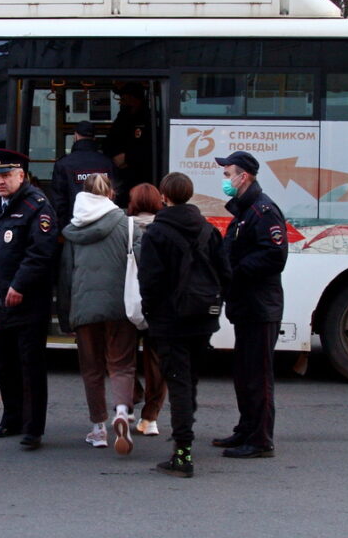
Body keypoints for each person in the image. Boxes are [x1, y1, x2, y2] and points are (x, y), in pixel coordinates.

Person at [138, 172, 231, 478]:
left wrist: (152, 316)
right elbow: (224, 273)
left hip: (170, 319)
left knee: (177, 381)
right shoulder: (208, 230)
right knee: (189, 379)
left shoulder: (156, 232)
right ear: (189, 195)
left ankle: (182, 454)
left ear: (164, 196)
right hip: (203, 317)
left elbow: (149, 282)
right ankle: (184, 434)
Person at [212, 150, 288, 459]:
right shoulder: (245, 210)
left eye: (228, 173)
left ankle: (260, 439)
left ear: (244, 176)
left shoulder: (263, 210)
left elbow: (274, 256)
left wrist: (235, 270)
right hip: (246, 305)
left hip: (260, 306)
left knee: (258, 374)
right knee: (244, 372)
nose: (225, 179)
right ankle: (245, 428)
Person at [0, 149, 58, 451]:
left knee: (31, 366)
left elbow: (40, 253)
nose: (0, 181)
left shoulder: (37, 207)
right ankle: (10, 418)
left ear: (21, 176)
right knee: (6, 364)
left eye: (5, 175)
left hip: (28, 300)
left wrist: (20, 285)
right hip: (1, 298)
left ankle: (33, 428)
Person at [58, 173, 139, 455]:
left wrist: (66, 315)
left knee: (91, 370)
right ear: (111, 194)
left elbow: (66, 275)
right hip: (121, 307)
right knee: (122, 364)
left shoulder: (73, 228)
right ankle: (120, 411)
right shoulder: (128, 224)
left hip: (84, 308)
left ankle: (98, 428)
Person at [127, 182, 167, 437]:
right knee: (156, 362)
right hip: (159, 304)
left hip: (129, 302)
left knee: (121, 357)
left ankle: (132, 396)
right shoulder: (166, 228)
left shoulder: (123, 228)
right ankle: (150, 418)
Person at [51, 120, 115, 224]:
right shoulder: (107, 163)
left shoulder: (64, 164)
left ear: (75, 136)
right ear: (94, 138)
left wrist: (64, 228)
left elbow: (59, 202)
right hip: (105, 223)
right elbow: (115, 194)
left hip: (75, 225)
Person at [105, 82, 153, 201]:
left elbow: (149, 147)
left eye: (124, 98)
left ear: (134, 99)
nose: (121, 102)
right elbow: (110, 139)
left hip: (140, 172)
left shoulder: (147, 118)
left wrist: (128, 158)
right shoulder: (123, 116)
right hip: (120, 170)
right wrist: (114, 156)